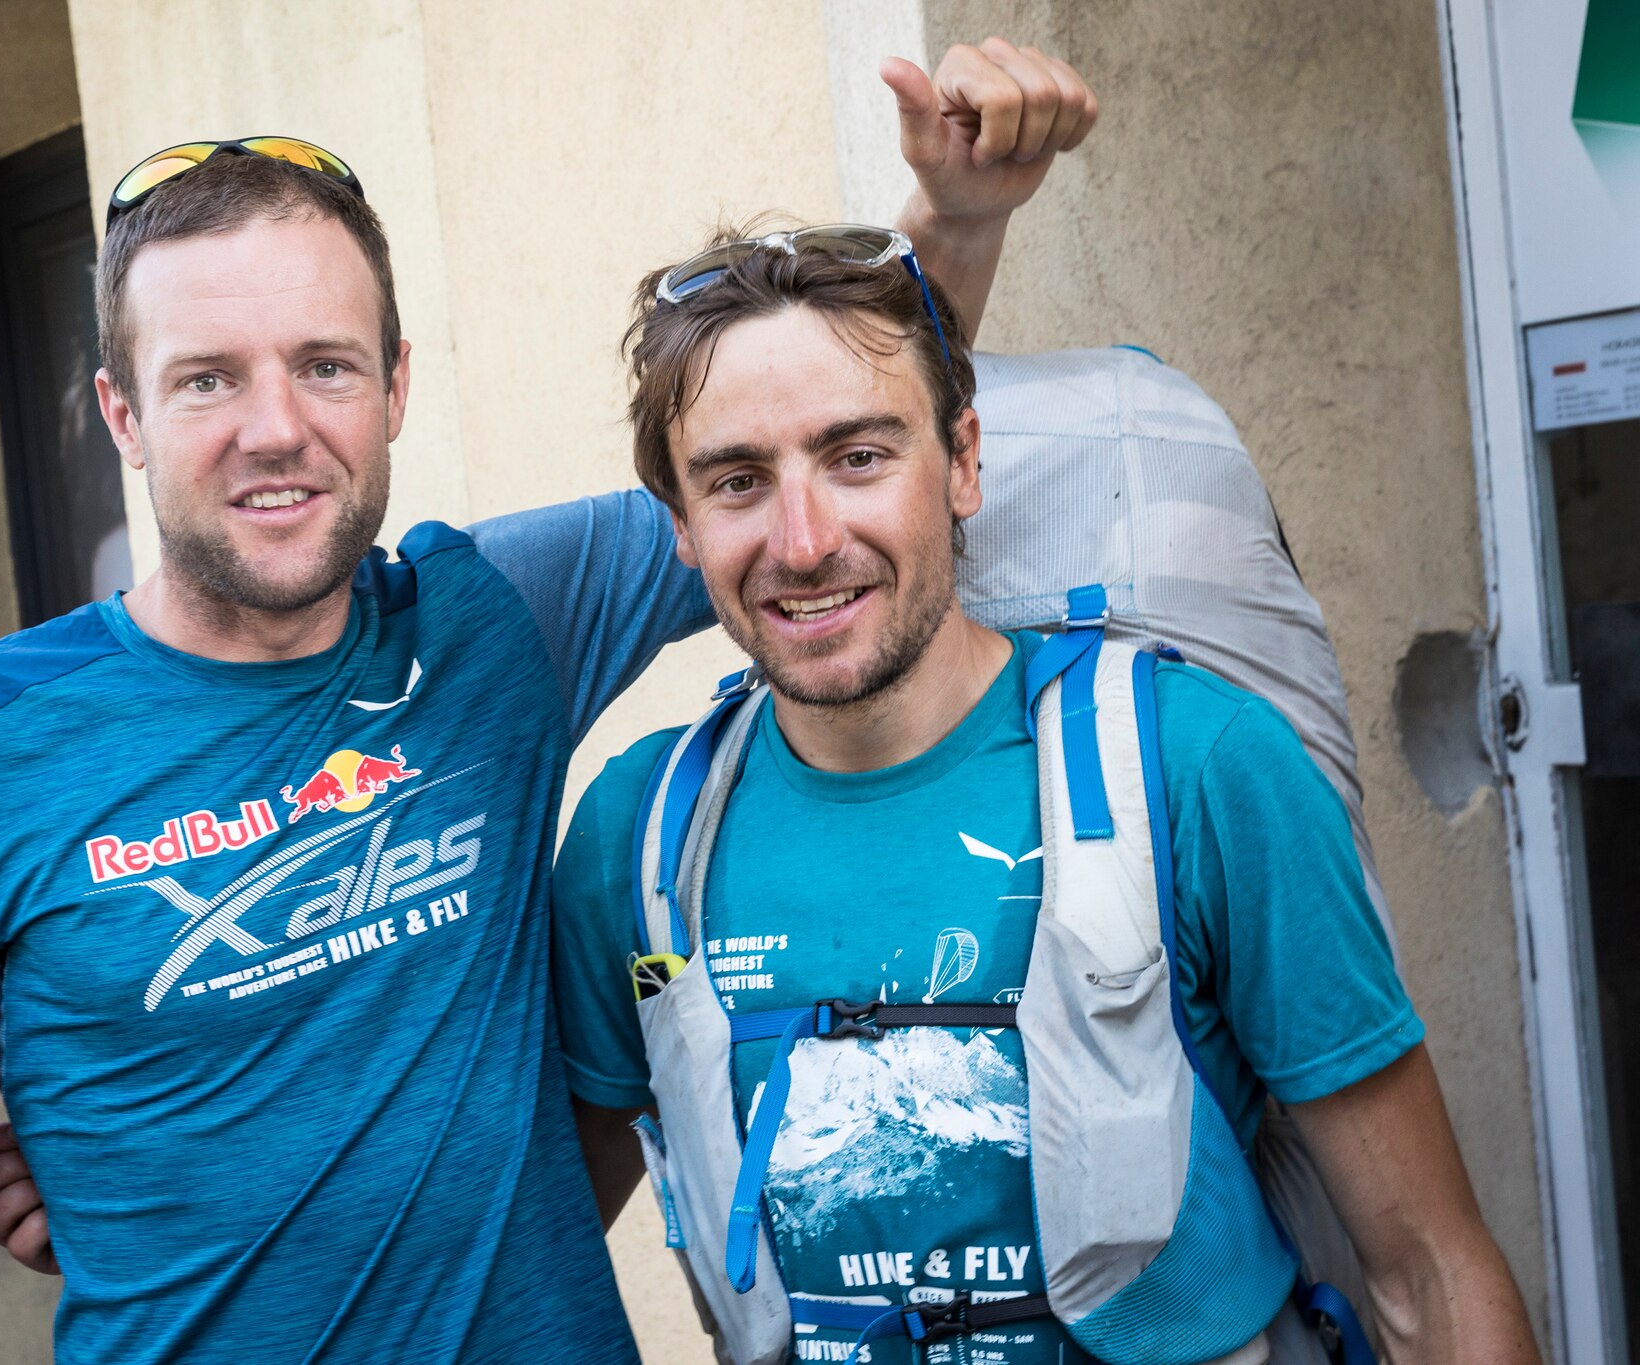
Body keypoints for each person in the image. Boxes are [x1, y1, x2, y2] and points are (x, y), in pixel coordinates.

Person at [0, 41, 1100, 1363]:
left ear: (394, 389)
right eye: (207, 378)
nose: (275, 426)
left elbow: (815, 421)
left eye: (325, 365)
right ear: (122, 414)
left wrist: (956, 216)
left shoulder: (493, 622)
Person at [545, 230, 1541, 1361]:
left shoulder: (1196, 766)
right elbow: (519, 1272)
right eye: (736, 482)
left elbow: (1428, 1274)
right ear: (678, 523)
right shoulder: (637, 842)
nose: (805, 541)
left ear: (962, 461)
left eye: (858, 456)